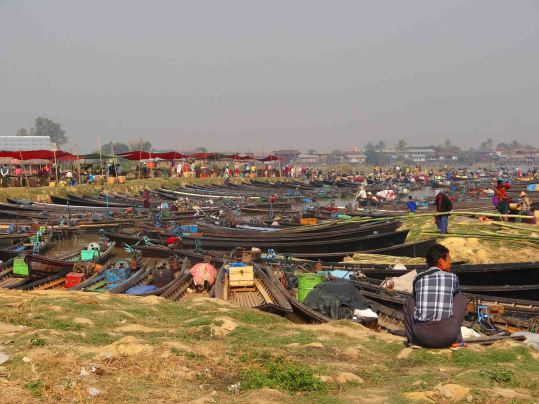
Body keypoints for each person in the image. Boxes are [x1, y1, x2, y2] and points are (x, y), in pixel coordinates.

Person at [404, 244, 467, 348]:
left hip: (421, 336)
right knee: (460, 298)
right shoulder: (452, 277)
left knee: (410, 300)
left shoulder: (418, 278)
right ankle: (457, 340)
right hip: (447, 335)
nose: (450, 263)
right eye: (449, 260)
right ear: (441, 262)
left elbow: (416, 297)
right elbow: (455, 295)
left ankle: (412, 341)